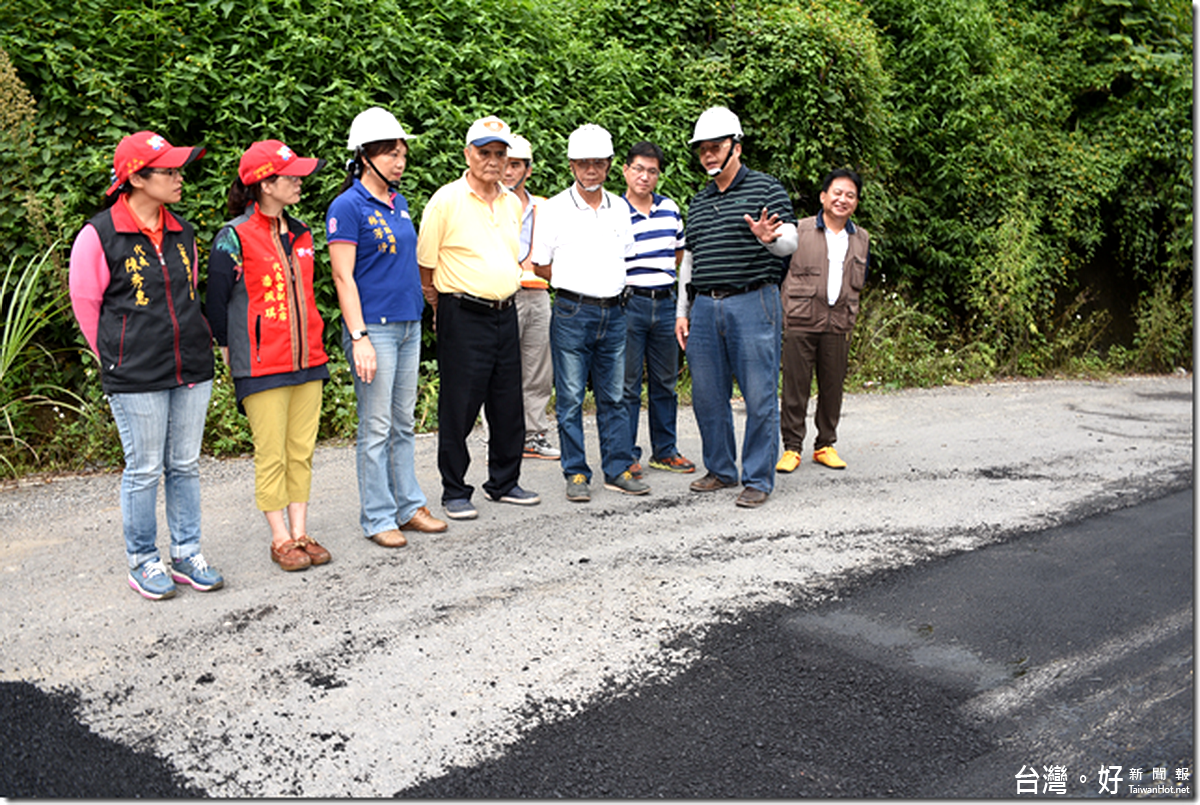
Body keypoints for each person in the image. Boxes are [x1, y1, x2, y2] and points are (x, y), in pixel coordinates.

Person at [68, 130, 223, 599]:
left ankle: (186, 552)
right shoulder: (100, 235)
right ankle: (142, 559)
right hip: (135, 374)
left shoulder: (183, 232)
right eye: (168, 171)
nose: (179, 179)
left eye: (178, 170)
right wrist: (117, 357)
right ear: (136, 178)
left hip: (190, 367)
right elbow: (86, 303)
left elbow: (190, 293)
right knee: (143, 469)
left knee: (184, 464)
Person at [207, 140, 332, 572]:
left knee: (302, 450)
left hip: (309, 360)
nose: (299, 181)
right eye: (290, 175)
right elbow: (217, 303)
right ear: (264, 184)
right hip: (261, 364)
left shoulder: (301, 233)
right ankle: (279, 538)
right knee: (272, 454)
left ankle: (300, 531)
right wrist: (229, 353)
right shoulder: (232, 237)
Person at [326, 107, 447, 547]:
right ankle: (378, 517)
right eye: (391, 153)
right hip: (373, 329)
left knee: (402, 422)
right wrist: (358, 337)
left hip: (407, 324)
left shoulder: (400, 204)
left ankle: (409, 506)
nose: (400, 161)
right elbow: (343, 276)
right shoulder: (347, 206)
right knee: (375, 426)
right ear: (364, 157)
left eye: (402, 153)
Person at [417, 115, 540, 519]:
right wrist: (439, 308)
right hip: (462, 312)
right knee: (459, 405)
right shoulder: (446, 200)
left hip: (507, 310)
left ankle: (503, 482)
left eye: (500, 153)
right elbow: (426, 265)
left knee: (508, 402)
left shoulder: (510, 202)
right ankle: (455, 489)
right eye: (484, 152)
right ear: (468, 154)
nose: (492, 160)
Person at [675, 107, 798, 508]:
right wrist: (682, 310)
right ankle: (722, 470)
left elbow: (791, 243)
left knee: (760, 394)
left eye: (716, 147)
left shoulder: (766, 189)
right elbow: (689, 261)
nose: (708, 155)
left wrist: (767, 238)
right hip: (705, 307)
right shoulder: (699, 201)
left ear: (736, 147)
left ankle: (758, 478)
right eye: (702, 149)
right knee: (708, 395)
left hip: (753, 300)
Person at [531, 124, 648, 502]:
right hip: (571, 311)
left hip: (615, 312)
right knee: (569, 398)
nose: (591, 170)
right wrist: (574, 284)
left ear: (610, 165)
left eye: (598, 163)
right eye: (583, 163)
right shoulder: (552, 210)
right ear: (571, 165)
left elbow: (626, 258)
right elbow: (540, 266)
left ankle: (616, 469)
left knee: (614, 396)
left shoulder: (620, 209)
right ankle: (576, 473)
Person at [777, 168, 869, 472]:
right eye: (837, 193)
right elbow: (779, 273)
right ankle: (792, 448)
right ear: (823, 196)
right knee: (795, 387)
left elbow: (861, 279)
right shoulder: (799, 231)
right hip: (801, 320)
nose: (843, 200)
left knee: (832, 387)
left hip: (839, 323)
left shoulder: (861, 238)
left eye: (850, 195)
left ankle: (825, 445)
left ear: (856, 202)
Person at [619, 141, 695, 478]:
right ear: (625, 170)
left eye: (652, 171)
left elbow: (677, 257)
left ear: (658, 175)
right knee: (628, 384)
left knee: (665, 382)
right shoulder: (613, 211)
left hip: (664, 305)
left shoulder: (670, 208)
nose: (644, 177)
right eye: (638, 169)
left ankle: (665, 451)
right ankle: (626, 454)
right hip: (628, 304)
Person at [503, 134, 558, 461]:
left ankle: (533, 435)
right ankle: (500, 439)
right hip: (501, 294)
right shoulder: (489, 203)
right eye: (505, 164)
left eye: (516, 165)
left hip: (537, 293)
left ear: (528, 169)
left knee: (538, 370)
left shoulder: (543, 206)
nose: (508, 171)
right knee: (500, 370)